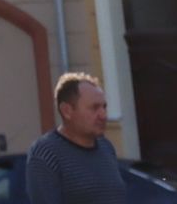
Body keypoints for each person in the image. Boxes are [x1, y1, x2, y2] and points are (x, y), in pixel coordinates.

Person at [26, 71, 125, 204]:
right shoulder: (46, 154)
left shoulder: (106, 147)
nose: (103, 115)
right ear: (67, 111)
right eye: (94, 108)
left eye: (104, 107)